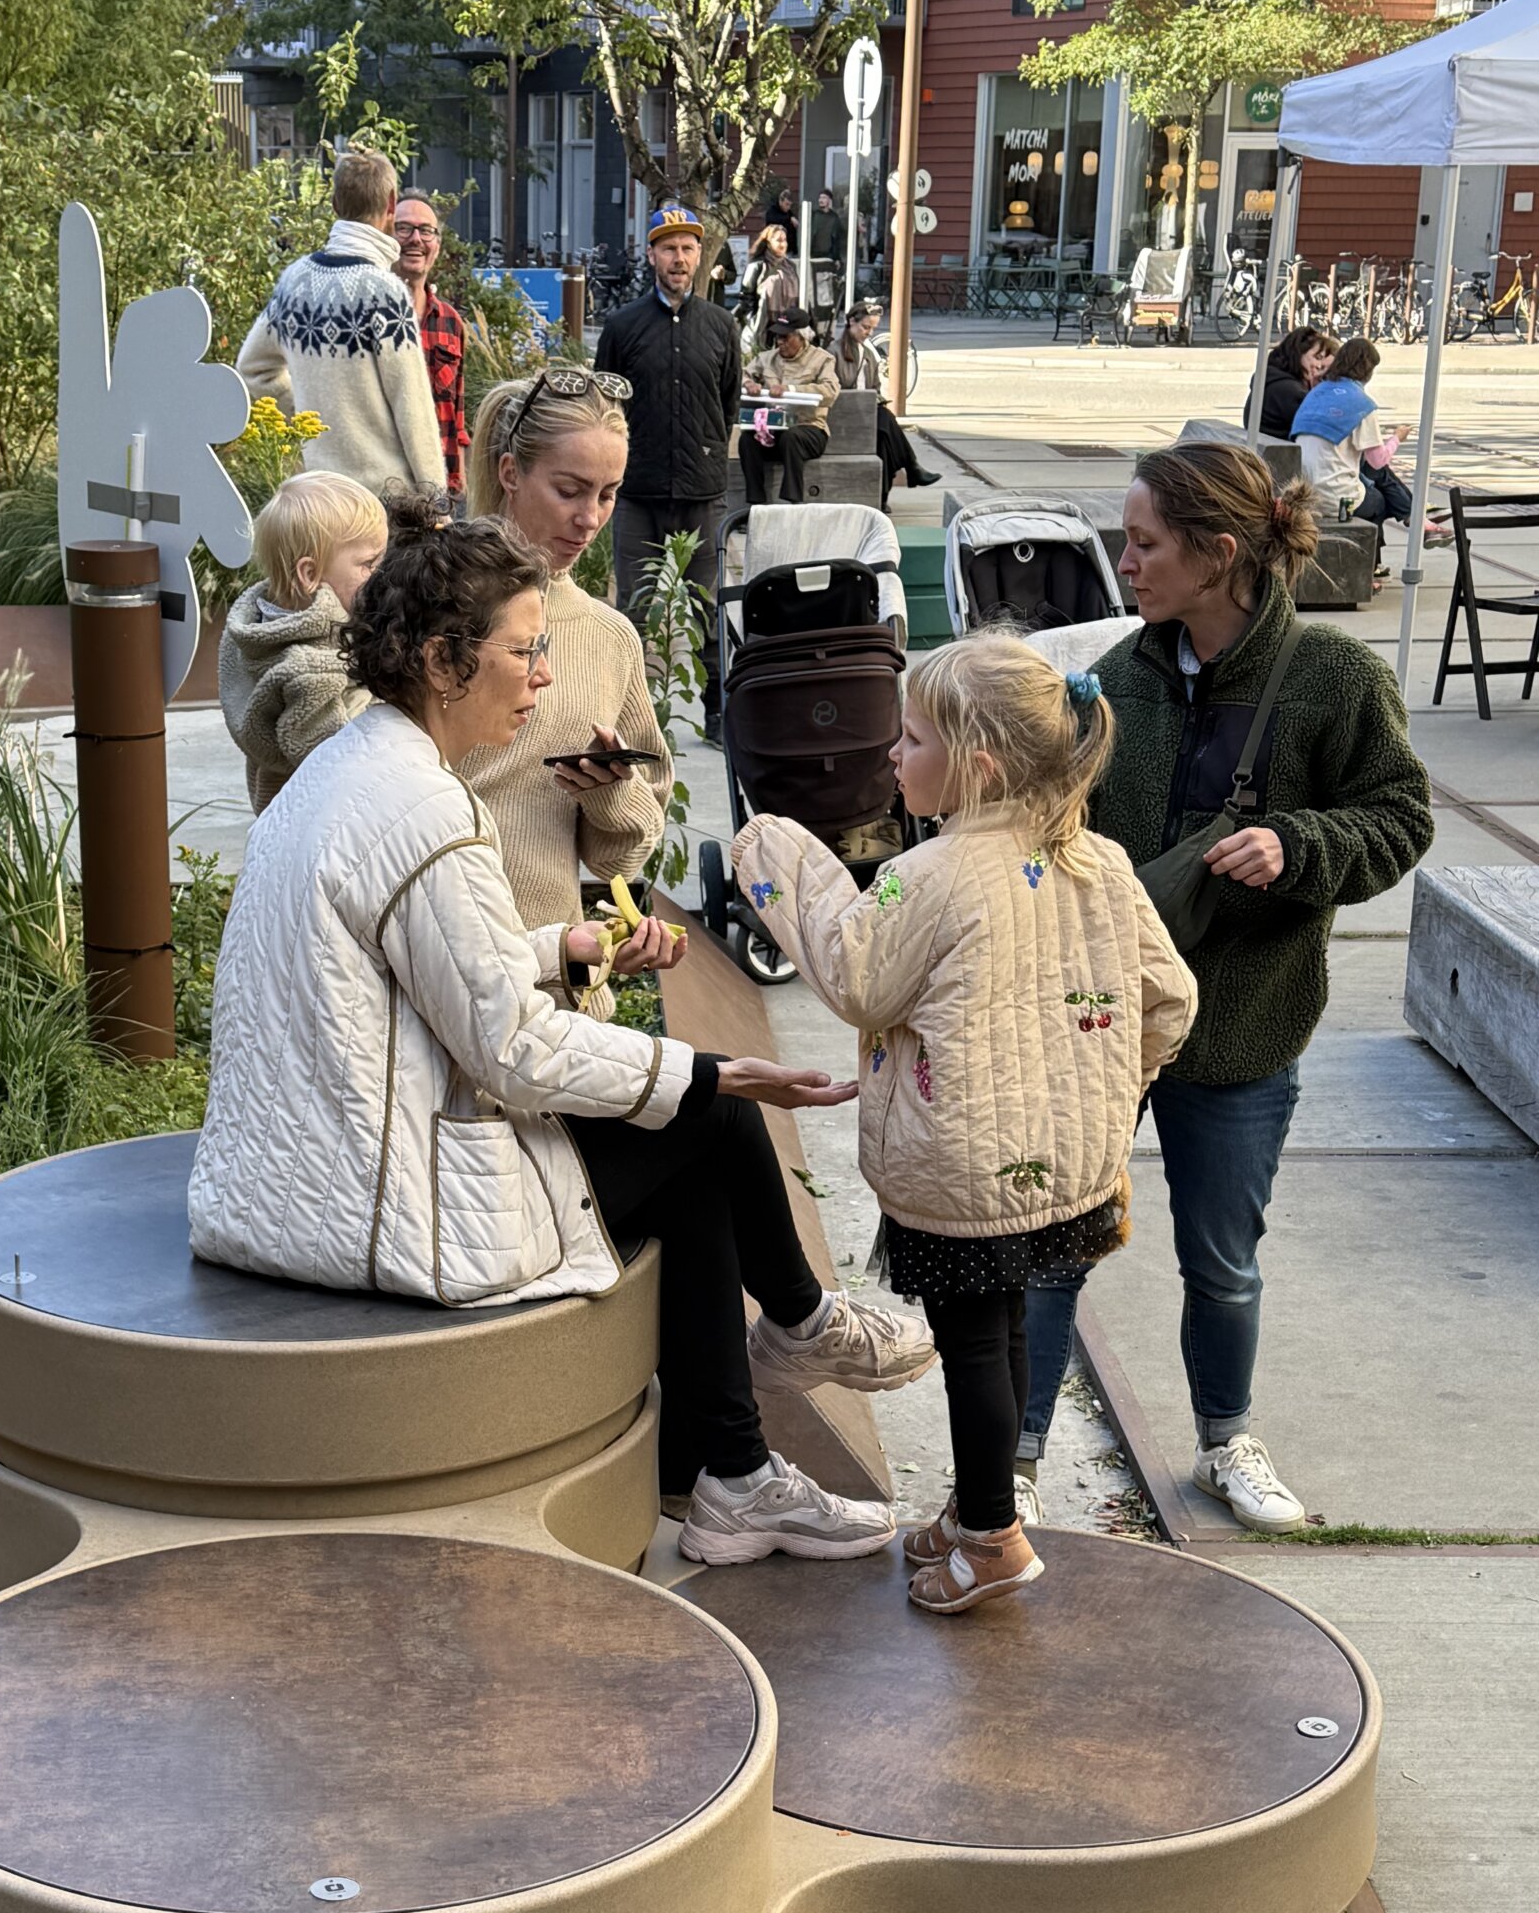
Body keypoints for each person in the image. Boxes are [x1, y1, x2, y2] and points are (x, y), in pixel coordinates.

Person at [188, 509, 939, 1563]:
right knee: (708, 1118)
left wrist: (568, 948)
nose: (544, 677)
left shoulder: (346, 770)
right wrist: (708, 1068)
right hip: (381, 1207)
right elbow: (514, 1050)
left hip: (298, 1179)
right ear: (442, 661)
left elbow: (426, 971)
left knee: (692, 1124)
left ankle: (743, 1459)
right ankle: (781, 1377)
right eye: (523, 650)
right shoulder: (423, 809)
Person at [1016, 443, 1434, 1531]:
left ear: (1219, 553)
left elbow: (1401, 818)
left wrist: (1299, 844)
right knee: (1051, 1246)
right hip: (1104, 1025)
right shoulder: (1117, 680)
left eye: (1145, 543)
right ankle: (1013, 1461)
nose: (1125, 561)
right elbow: (1051, 830)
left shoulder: (1336, 679)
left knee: (1223, 1261)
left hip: (1246, 1023)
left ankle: (1223, 1442)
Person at [732, 638, 1196, 1611]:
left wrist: (780, 865)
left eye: (910, 739)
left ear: (976, 763)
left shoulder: (928, 875)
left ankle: (992, 1539)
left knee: (974, 1344)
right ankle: (984, 1501)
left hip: (959, 1170)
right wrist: (1113, 1090)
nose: (891, 756)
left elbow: (858, 981)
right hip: (1064, 1169)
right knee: (1008, 1326)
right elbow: (1171, 1000)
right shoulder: (1101, 863)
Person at [460, 369, 669, 1021]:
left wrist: (611, 794)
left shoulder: (608, 637)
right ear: (510, 472)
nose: (590, 518)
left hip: (558, 998)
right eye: (570, 490)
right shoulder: (430, 611)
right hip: (438, 988)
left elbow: (619, 860)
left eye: (609, 494)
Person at [596, 202, 742, 747]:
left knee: (706, 612)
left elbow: (727, 404)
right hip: (637, 491)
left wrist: (705, 452)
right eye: (668, 248)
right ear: (651, 255)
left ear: (699, 256)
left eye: (687, 248)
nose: (678, 258)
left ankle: (717, 715)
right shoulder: (622, 327)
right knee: (634, 613)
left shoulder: (721, 326)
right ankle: (633, 721)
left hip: (702, 494)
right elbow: (604, 407)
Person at [236, 148, 446, 500]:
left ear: (334, 204)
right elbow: (412, 407)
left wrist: (309, 417)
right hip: (385, 502)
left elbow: (252, 370)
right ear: (391, 204)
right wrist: (436, 501)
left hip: (319, 493)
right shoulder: (385, 293)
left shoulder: (294, 283)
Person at [219, 473, 386, 815]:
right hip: (318, 820)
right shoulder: (306, 668)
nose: (381, 575)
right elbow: (337, 760)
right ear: (309, 575)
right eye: (368, 564)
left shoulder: (260, 626)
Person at [1290, 336, 1452, 561]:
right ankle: (1375, 560)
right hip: (1336, 500)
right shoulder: (1361, 404)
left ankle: (1418, 518)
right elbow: (1378, 460)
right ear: (1368, 371)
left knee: (1378, 477)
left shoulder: (1315, 394)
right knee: (1379, 502)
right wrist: (1397, 438)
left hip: (1305, 492)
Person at [393, 191, 469, 503]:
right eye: (403, 228)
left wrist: (459, 479)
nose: (416, 239)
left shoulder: (451, 322)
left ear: (437, 243)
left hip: (440, 488)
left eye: (426, 231)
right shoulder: (367, 316)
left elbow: (457, 414)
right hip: (386, 486)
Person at [831, 300, 940, 496]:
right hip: (844, 412)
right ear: (851, 322)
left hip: (866, 410)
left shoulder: (868, 353)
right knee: (886, 419)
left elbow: (875, 387)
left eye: (872, 328)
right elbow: (832, 388)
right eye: (866, 327)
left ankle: (884, 493)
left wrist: (875, 401)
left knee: (884, 437)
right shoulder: (834, 351)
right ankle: (912, 467)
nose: (869, 333)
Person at [740, 309, 835, 508]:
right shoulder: (767, 358)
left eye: (785, 337)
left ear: (802, 337)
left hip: (810, 428)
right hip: (773, 430)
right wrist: (748, 383)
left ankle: (793, 501)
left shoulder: (822, 359)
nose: (780, 342)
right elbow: (742, 374)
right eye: (777, 337)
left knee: (791, 437)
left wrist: (790, 389)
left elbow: (830, 390)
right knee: (748, 440)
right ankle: (756, 503)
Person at [1246, 326, 1338, 440]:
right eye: (1317, 357)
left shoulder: (1272, 379)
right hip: (1281, 449)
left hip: (1266, 445)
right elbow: (1322, 427)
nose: (1319, 366)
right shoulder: (1289, 391)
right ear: (1299, 353)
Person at [736, 222, 798, 357]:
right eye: (779, 240)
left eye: (785, 240)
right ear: (768, 243)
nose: (783, 244)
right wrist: (752, 322)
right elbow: (745, 298)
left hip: (786, 326)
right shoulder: (757, 266)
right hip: (763, 328)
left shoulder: (791, 267)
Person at [810, 187, 846, 270]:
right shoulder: (814, 215)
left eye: (824, 198)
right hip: (814, 254)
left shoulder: (834, 217)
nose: (821, 200)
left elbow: (836, 239)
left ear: (829, 200)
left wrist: (837, 258)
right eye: (820, 198)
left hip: (828, 255)